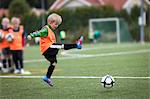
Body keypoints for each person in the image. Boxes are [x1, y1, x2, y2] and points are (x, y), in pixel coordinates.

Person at [27, 13, 83, 86]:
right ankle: (77, 45)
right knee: (61, 46)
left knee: (54, 63)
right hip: (48, 48)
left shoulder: (50, 30)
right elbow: (39, 33)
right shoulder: (46, 29)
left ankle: (47, 77)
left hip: (47, 51)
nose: (57, 26)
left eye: (58, 24)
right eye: (56, 24)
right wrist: (31, 35)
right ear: (50, 22)